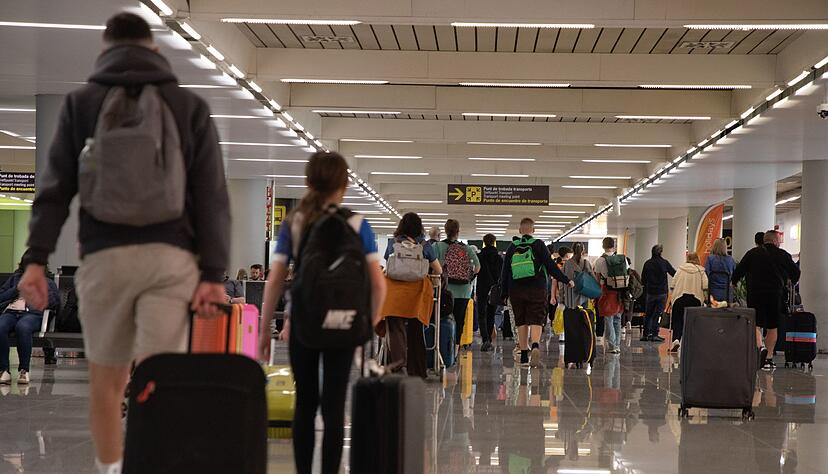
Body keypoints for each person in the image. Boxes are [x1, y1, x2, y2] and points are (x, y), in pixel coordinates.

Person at [16, 13, 229, 474]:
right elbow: (212, 197)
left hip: (104, 258)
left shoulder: (82, 102)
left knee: (106, 380)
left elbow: (53, 190)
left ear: (104, 49)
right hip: (169, 260)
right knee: (160, 377)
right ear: (153, 47)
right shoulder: (188, 105)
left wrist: (35, 260)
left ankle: (109, 468)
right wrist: (213, 275)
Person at [258, 152, 386, 474]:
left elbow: (275, 280)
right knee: (333, 406)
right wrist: (364, 325)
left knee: (305, 404)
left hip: (304, 321)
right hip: (344, 325)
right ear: (344, 184)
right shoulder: (357, 224)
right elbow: (378, 285)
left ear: (307, 182)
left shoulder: (296, 222)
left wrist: (263, 331)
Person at [501, 218, 573, 367]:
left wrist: (503, 292)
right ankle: (535, 345)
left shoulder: (512, 247)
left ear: (520, 231)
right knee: (536, 318)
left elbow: (505, 272)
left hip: (516, 290)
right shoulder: (539, 245)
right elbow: (551, 266)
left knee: (521, 321)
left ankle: (524, 356)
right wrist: (566, 280)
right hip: (537, 289)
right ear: (533, 231)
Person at [382, 212, 442, 377]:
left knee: (395, 329)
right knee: (416, 331)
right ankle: (417, 370)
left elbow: (388, 263)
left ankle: (396, 365)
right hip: (417, 294)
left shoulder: (392, 243)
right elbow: (439, 270)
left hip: (394, 294)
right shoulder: (424, 245)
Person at [732, 230, 800, 369]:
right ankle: (768, 358)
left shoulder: (752, 253)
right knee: (772, 326)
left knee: (756, 324)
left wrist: (734, 283)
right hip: (775, 295)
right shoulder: (783, 255)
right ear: (775, 241)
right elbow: (796, 273)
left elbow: (738, 272)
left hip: (755, 294)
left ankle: (759, 349)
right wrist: (789, 280)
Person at [0, 259, 60, 385]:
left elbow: (55, 303)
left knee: (23, 327)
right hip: (11, 311)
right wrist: (15, 290)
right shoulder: (15, 279)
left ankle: (24, 370)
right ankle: (4, 370)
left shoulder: (47, 281)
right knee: (1, 326)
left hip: (33, 314)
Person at [435, 219, 480, 353]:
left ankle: (442, 347)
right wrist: (469, 277)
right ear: (458, 232)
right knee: (459, 320)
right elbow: (477, 267)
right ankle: (455, 349)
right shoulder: (465, 248)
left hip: (444, 290)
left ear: (445, 230)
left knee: (442, 319)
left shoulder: (437, 247)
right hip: (464, 291)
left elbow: (431, 265)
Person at [668, 252, 708, 352]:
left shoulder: (680, 269)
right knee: (693, 322)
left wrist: (672, 297)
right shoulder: (701, 271)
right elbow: (706, 286)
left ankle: (676, 340)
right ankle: (691, 344)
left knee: (677, 321)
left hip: (679, 298)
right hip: (696, 300)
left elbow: (672, 285)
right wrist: (706, 298)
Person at [592, 237, 625, 354]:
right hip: (620, 292)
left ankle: (612, 346)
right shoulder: (622, 259)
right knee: (618, 318)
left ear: (603, 246)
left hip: (606, 291)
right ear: (614, 246)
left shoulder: (600, 260)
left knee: (608, 318)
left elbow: (597, 278)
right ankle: (617, 345)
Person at [640, 245, 676, 342]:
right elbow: (674, 273)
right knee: (658, 314)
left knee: (648, 314)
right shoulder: (664, 263)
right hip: (662, 292)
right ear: (661, 252)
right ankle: (654, 334)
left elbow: (643, 279)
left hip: (650, 292)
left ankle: (645, 334)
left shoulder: (647, 263)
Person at [476, 234, 503, 352]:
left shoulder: (479, 257)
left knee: (481, 314)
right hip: (494, 289)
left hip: (482, 287)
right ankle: (490, 341)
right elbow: (502, 275)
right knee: (491, 314)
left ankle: (485, 339)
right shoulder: (499, 258)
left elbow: (475, 272)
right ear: (494, 242)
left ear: (484, 242)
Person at [704, 238, 736, 303]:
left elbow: (707, 273)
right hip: (727, 292)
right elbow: (734, 274)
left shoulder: (710, 259)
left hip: (713, 291)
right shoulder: (730, 260)